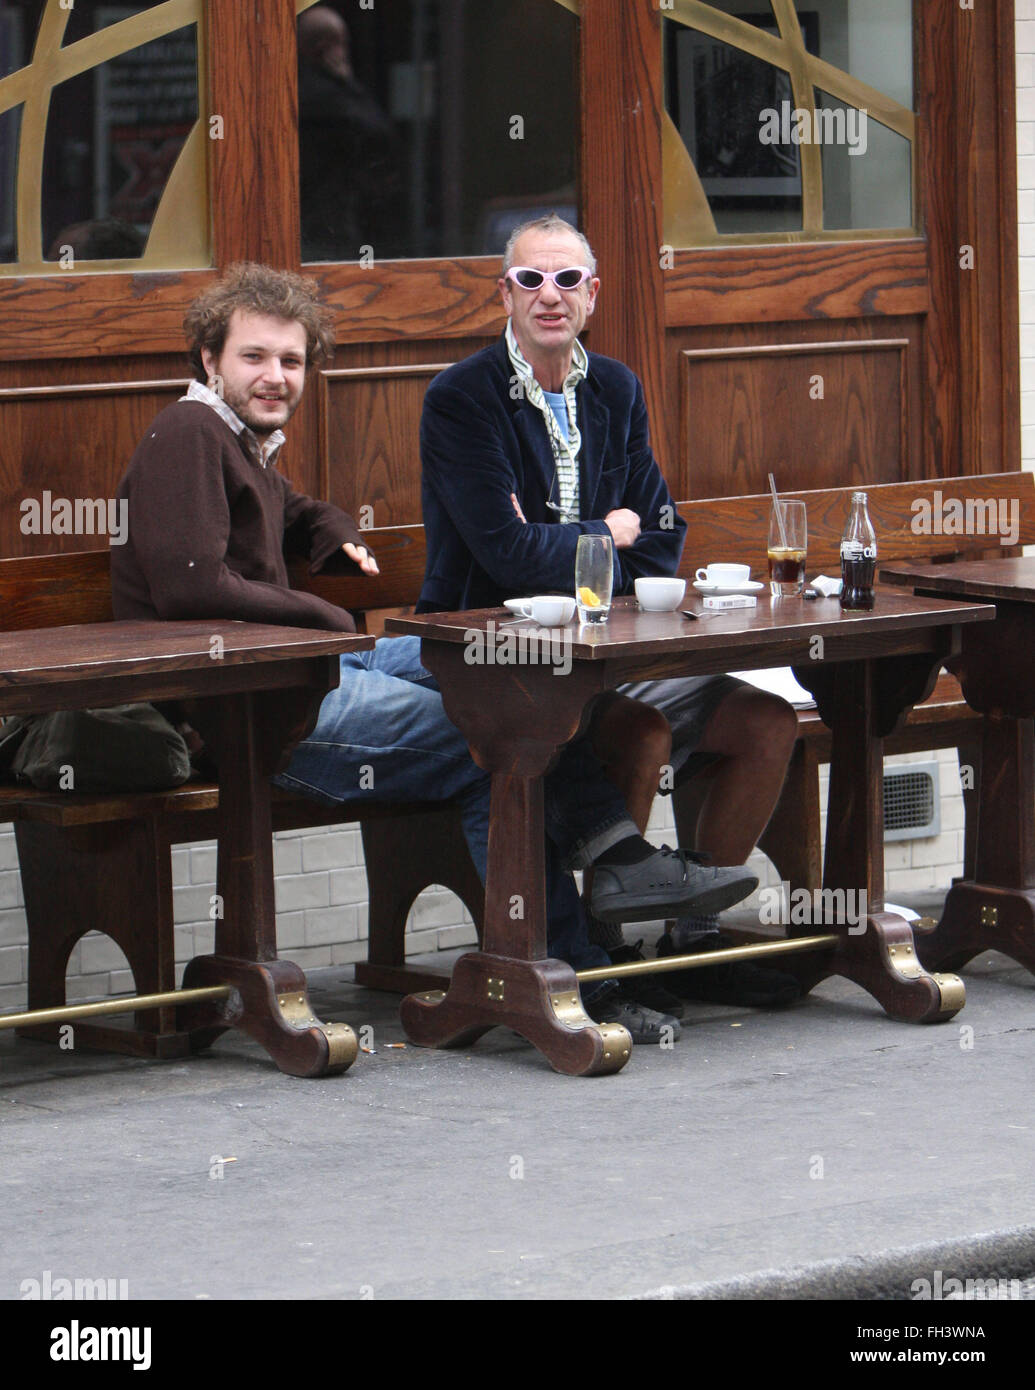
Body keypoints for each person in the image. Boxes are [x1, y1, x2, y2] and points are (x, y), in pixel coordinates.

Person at [110, 262, 759, 1043]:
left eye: (290, 360)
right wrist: (322, 615)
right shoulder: (187, 433)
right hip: (247, 707)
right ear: (209, 360)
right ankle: (574, 968)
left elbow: (285, 509)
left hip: (311, 670)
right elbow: (189, 587)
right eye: (254, 357)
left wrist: (331, 529)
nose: (275, 375)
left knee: (501, 669)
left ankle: (611, 866)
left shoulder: (233, 440)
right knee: (489, 739)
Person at [418, 214, 801, 1010]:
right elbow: (501, 559)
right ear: (504, 294)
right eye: (529, 280)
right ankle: (604, 959)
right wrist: (604, 531)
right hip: (497, 659)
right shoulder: (462, 398)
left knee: (765, 721)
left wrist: (574, 538)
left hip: (615, 650)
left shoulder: (616, 388)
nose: (548, 296)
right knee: (639, 731)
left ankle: (695, 944)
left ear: (592, 295)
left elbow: (661, 538)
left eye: (566, 280)